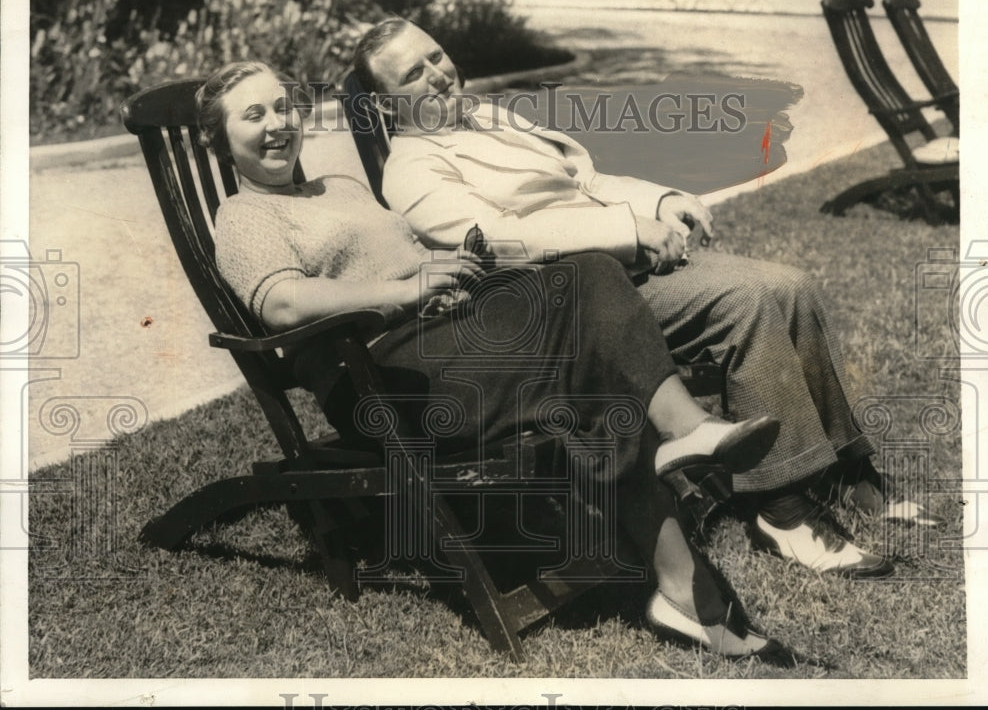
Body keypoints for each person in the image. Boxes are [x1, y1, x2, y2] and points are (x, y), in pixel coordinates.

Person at [196, 60, 802, 665]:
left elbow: (413, 252)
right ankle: (688, 475)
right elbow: (282, 304)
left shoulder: (342, 188)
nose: (277, 124)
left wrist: (458, 265)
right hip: (386, 383)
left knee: (591, 284)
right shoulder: (245, 217)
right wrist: (404, 293)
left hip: (449, 342)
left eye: (283, 107)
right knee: (589, 334)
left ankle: (683, 572)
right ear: (220, 141)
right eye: (254, 115)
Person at [351, 19, 944, 579]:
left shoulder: (488, 117)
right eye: (413, 75)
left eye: (436, 56)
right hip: (573, 301)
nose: (438, 74)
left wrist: (660, 200)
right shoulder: (412, 170)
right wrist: (630, 231)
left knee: (794, 286)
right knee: (756, 297)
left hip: (619, 267)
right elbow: (502, 242)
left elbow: (585, 180)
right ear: (384, 104)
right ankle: (782, 511)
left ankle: (846, 470)